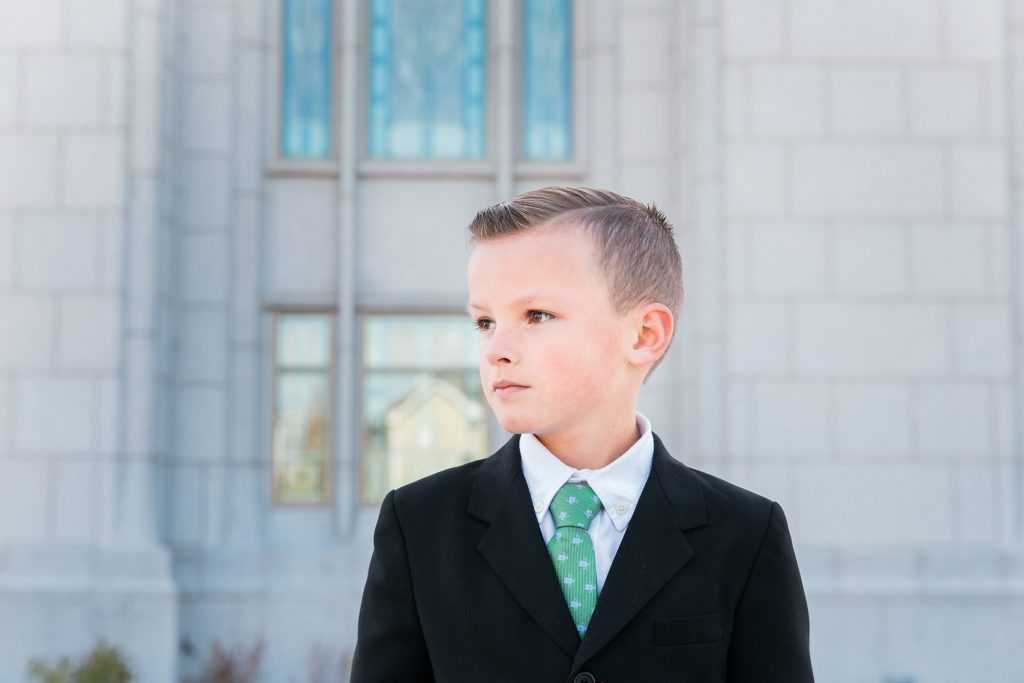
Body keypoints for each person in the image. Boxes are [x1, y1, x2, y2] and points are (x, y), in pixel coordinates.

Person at [350, 187, 813, 682]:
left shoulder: (744, 533)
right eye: (484, 322)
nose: (496, 349)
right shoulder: (419, 526)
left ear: (644, 335)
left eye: (537, 315)